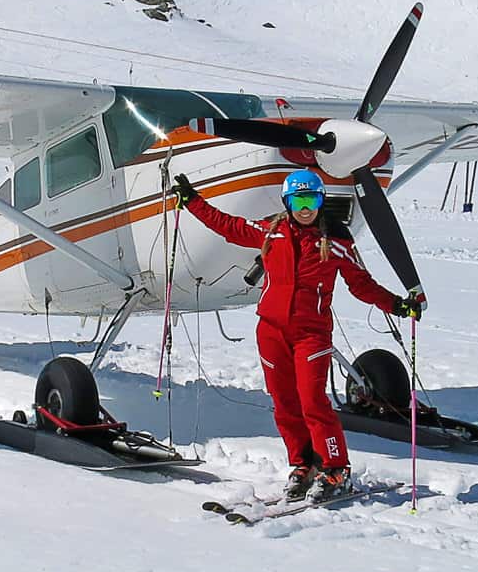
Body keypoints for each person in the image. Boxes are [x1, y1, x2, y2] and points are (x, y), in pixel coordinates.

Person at [173, 170, 421, 501]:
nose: (306, 209)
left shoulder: (335, 242)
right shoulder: (270, 232)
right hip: (271, 331)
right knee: (284, 404)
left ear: (321, 201)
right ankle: (303, 464)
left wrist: (397, 305)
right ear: (288, 203)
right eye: (299, 201)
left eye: (313, 200)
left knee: (313, 402)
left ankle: (336, 469)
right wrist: (192, 201)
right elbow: (227, 227)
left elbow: (361, 284)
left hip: (311, 334)